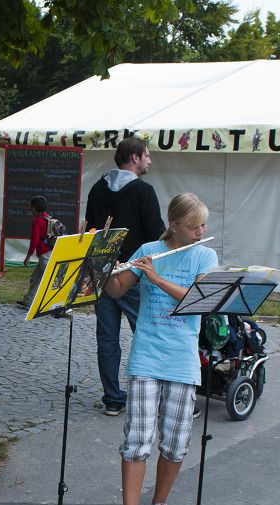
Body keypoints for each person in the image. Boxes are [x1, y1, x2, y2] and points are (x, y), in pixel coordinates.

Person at [102, 192, 218, 505]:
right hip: (147, 359)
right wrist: (110, 268)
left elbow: (200, 301)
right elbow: (117, 290)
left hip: (183, 362)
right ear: (175, 225)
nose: (202, 230)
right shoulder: (149, 249)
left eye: (203, 224)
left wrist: (156, 278)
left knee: (175, 442)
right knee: (137, 441)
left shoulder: (205, 255)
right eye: (195, 225)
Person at [85, 136, 165, 417]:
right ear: (135, 157)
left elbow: (89, 231)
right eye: (147, 155)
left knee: (107, 338)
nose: (150, 160)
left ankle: (112, 398)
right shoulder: (144, 192)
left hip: (102, 272)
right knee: (147, 333)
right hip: (133, 276)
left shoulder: (97, 188)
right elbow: (157, 236)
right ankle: (154, 391)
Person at [17, 195, 53, 308]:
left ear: (33, 208)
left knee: (47, 280)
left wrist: (28, 256)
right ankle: (28, 300)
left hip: (44, 255)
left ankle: (51, 304)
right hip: (51, 252)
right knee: (35, 277)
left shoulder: (37, 222)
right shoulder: (49, 218)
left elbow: (35, 240)